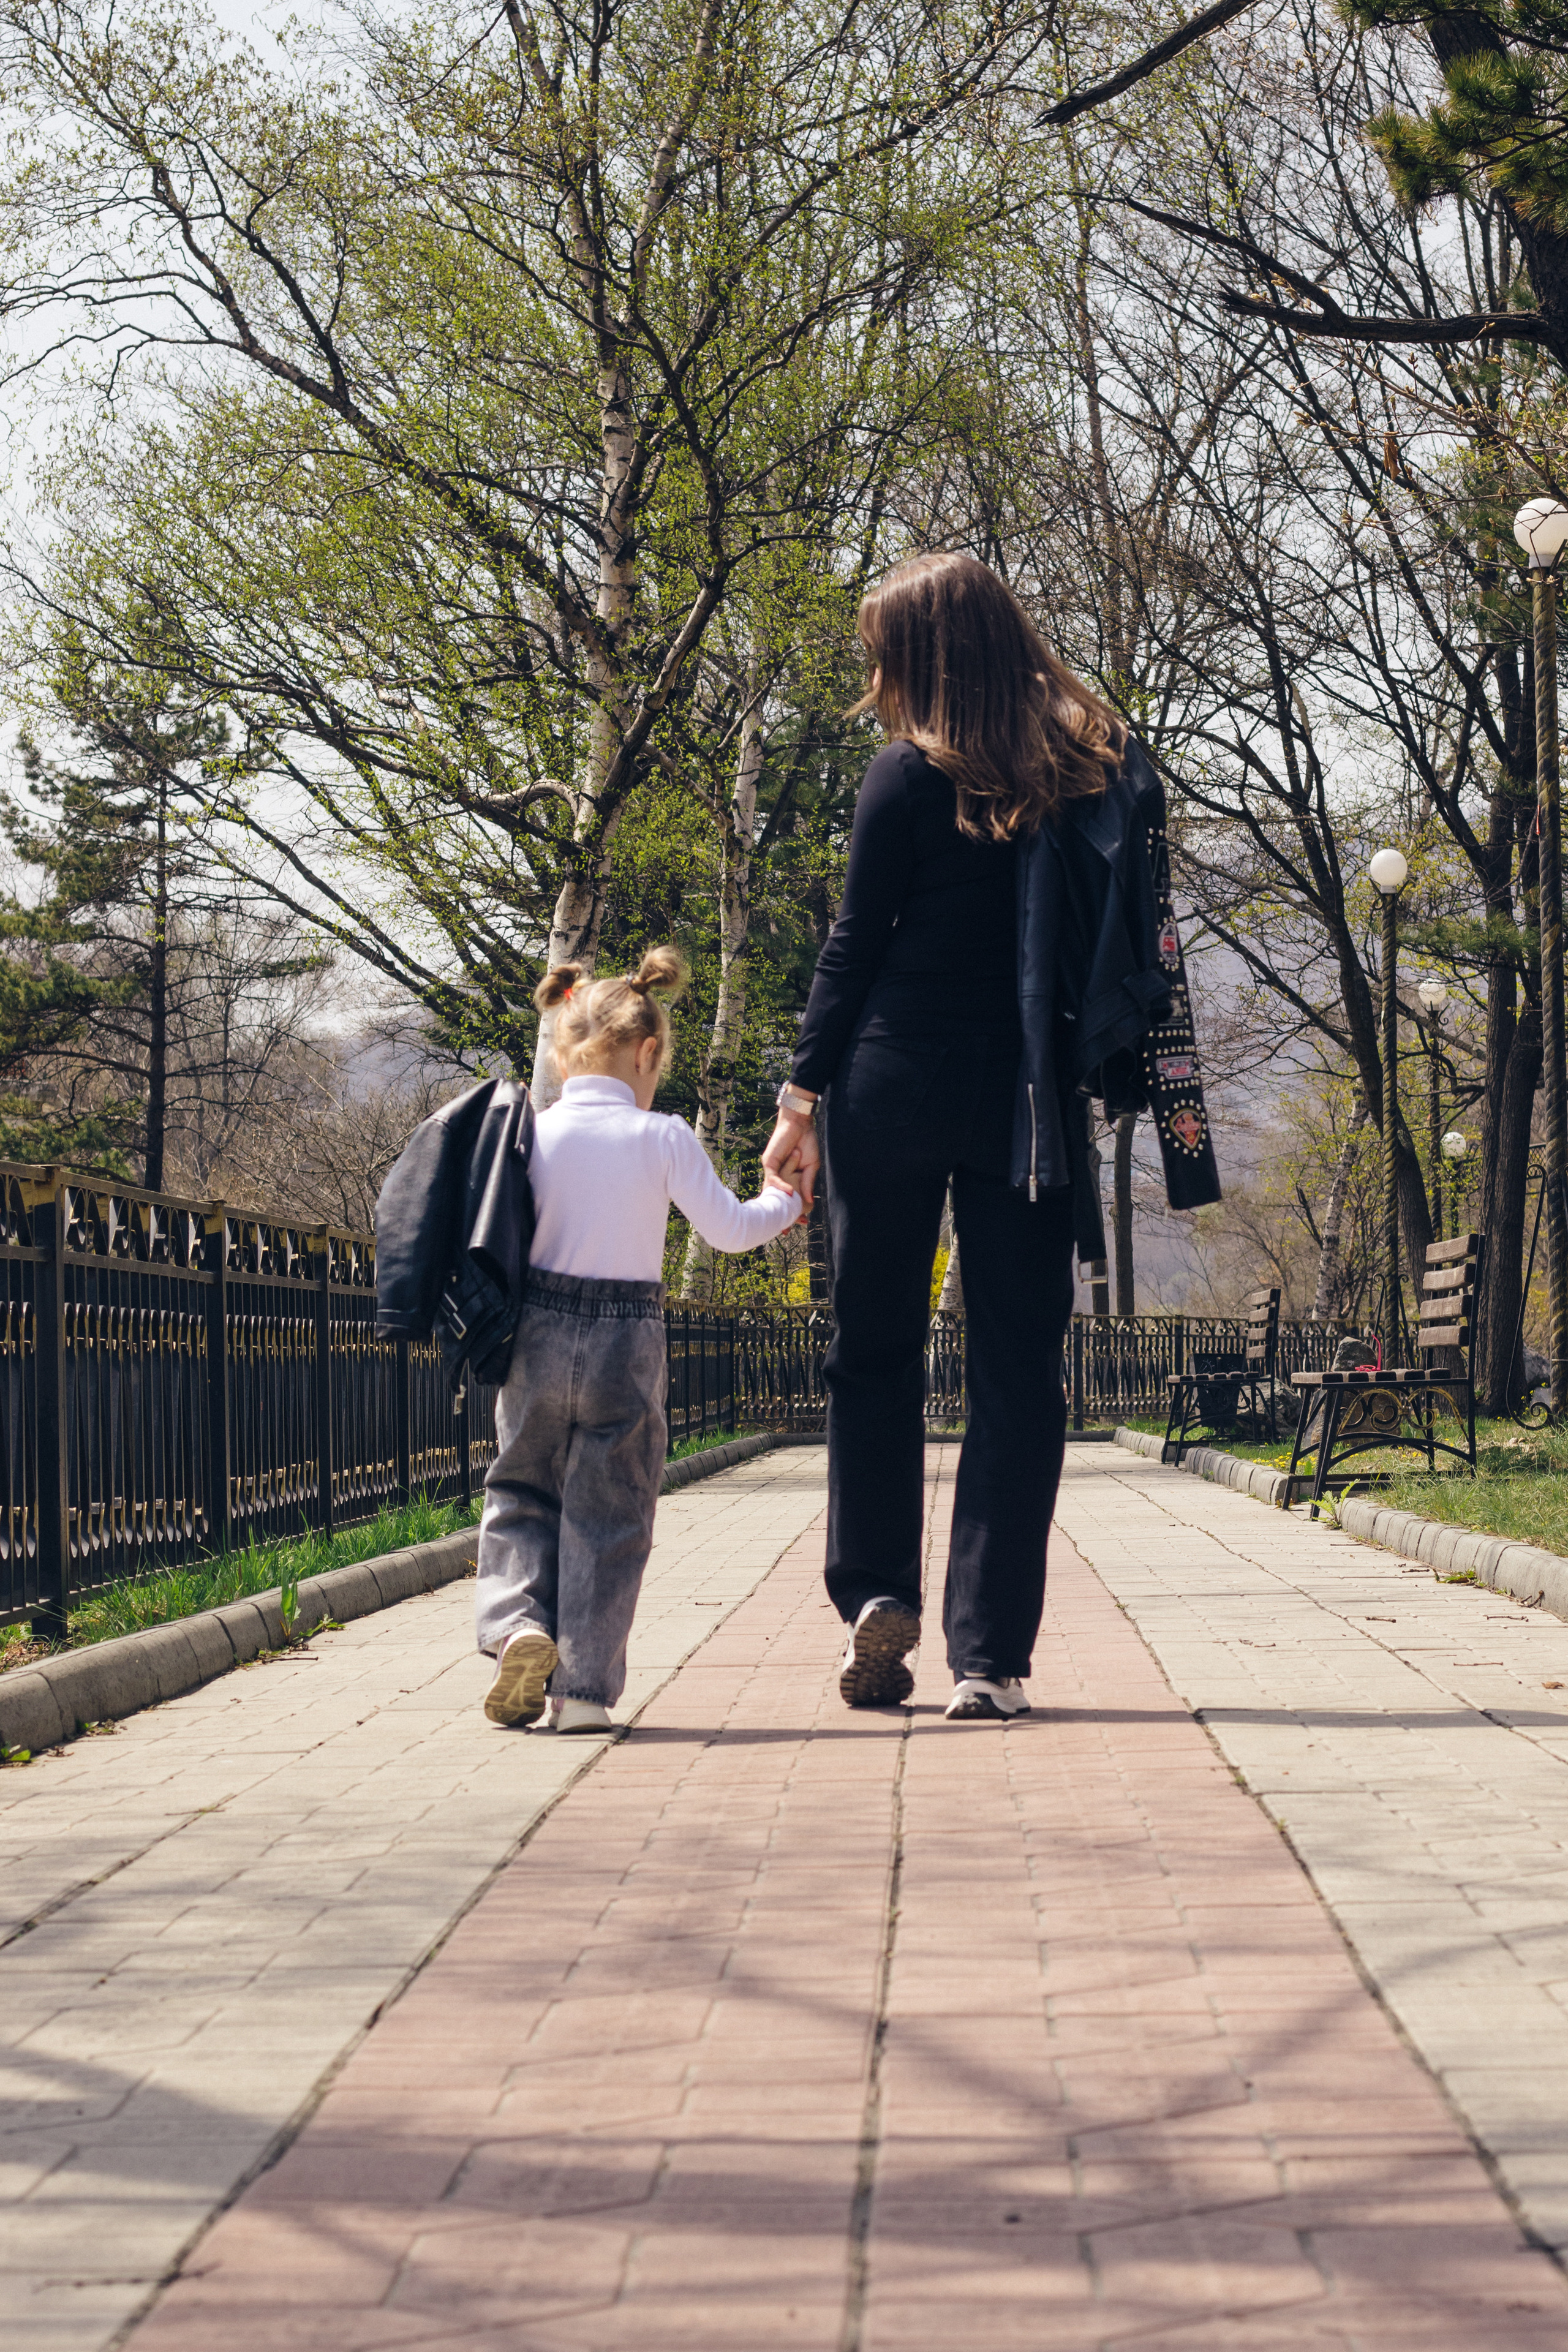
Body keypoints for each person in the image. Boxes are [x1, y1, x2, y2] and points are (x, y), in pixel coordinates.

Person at [762, 552, 1132, 1722]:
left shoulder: (902, 782)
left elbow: (853, 949)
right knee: (1019, 1371)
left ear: (922, 659)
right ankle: (991, 1657)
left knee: (874, 1351)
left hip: (892, 1087)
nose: (872, 675)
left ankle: (878, 1590)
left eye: (882, 652)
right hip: (1025, 1106)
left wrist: (799, 1104)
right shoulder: (1086, 780)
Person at [476, 947, 800, 1734]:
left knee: (521, 1487)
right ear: (647, 1051)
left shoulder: (533, 1134)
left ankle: (520, 1626)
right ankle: (583, 1693)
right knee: (612, 1509)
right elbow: (727, 1232)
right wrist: (783, 1201)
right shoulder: (661, 1137)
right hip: (628, 1336)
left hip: (538, 1335)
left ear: (562, 1048)